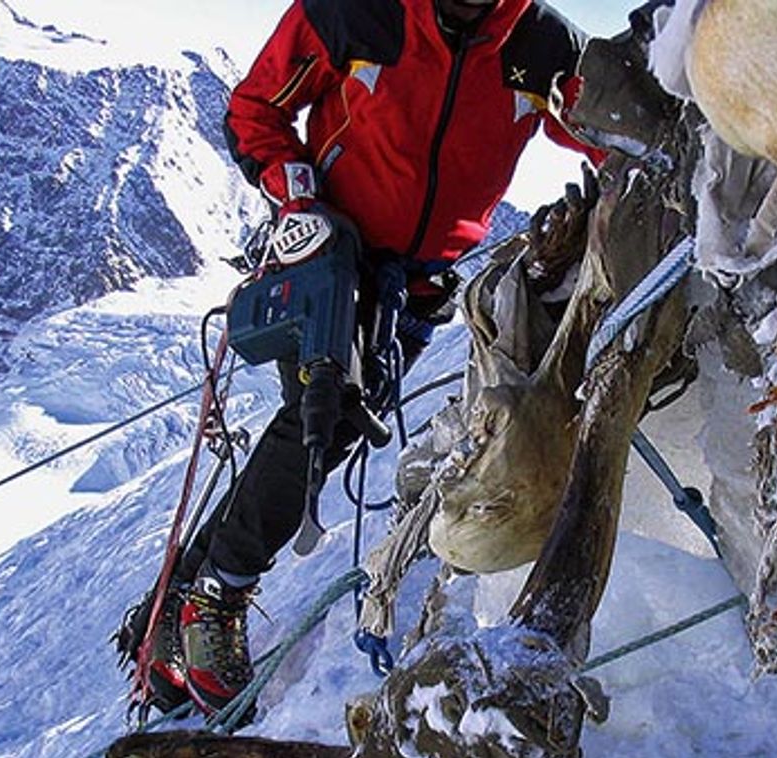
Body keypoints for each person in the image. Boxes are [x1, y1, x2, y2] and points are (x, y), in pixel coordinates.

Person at [162, 0, 606, 716]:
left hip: (419, 284)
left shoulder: (541, 44)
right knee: (326, 417)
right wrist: (296, 197)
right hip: (331, 260)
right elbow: (255, 112)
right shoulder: (354, 12)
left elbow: (606, 127)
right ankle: (214, 599)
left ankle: (182, 608)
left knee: (329, 425)